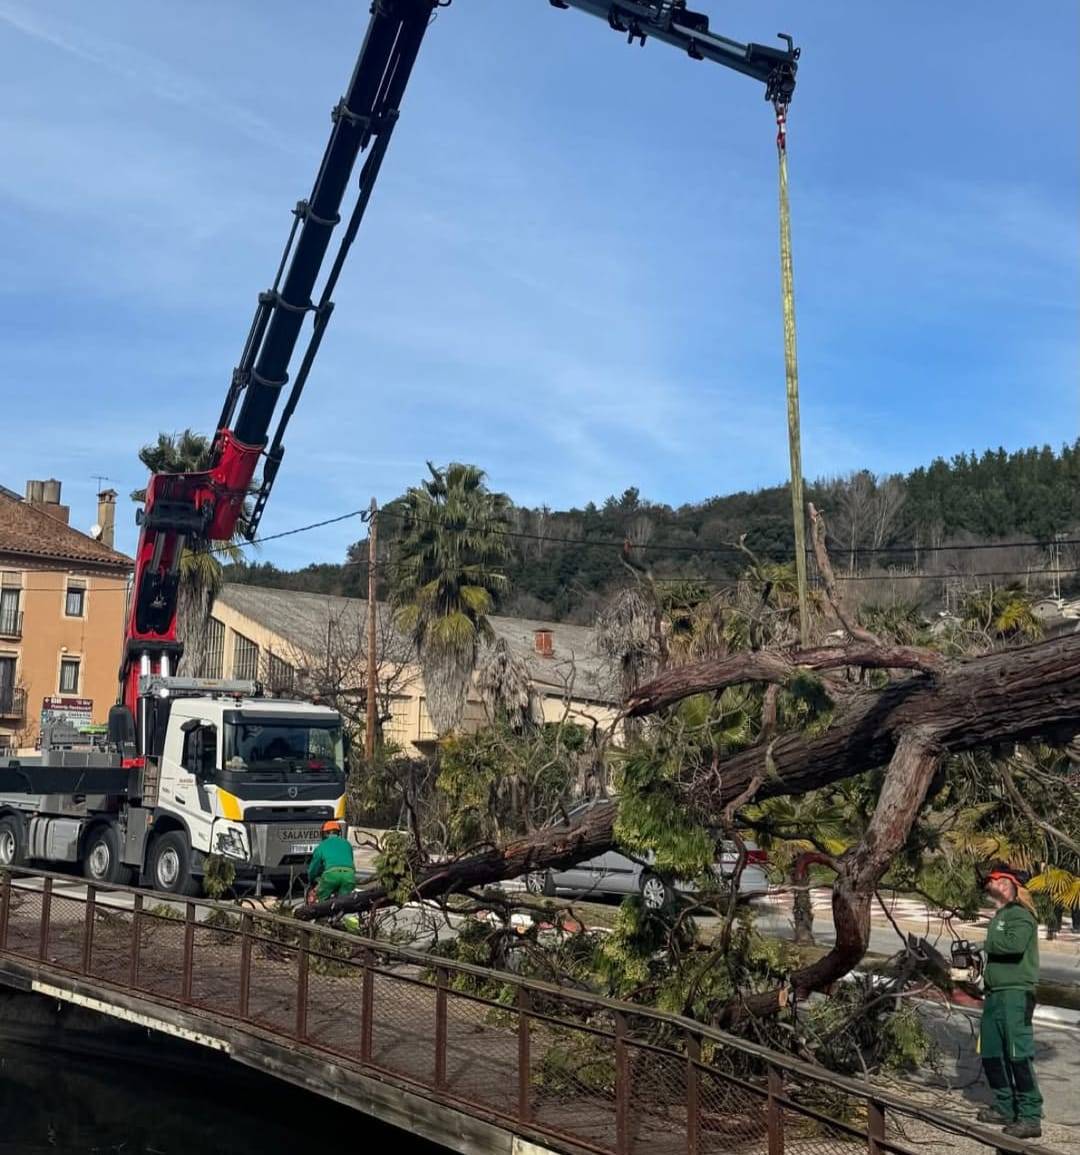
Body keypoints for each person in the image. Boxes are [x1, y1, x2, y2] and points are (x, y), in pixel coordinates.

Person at [976, 862, 1043, 1140]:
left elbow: (1014, 946)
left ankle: (1030, 1116)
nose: (990, 885)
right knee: (991, 1052)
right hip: (995, 994)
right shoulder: (1001, 915)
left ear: (1008, 885)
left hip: (1015, 994)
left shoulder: (1020, 915)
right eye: (991, 882)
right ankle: (1005, 1107)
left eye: (995, 881)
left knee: (1018, 1055)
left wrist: (985, 945)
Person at [307, 820, 356, 902]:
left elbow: (314, 868)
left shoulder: (321, 846)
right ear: (339, 833)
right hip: (349, 876)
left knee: (321, 901)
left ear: (324, 833)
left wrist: (311, 879)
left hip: (331, 876)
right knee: (344, 902)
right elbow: (350, 862)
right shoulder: (347, 844)